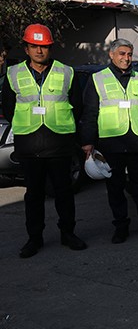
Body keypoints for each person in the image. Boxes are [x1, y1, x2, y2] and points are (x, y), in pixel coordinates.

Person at [1, 23, 87, 258]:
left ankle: (68, 233)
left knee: (64, 193)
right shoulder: (13, 73)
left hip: (59, 143)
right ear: (26, 48)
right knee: (34, 196)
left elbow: (77, 106)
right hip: (29, 145)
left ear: (50, 48)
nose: (39, 51)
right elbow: (9, 107)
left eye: (44, 46)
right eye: (34, 46)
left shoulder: (66, 72)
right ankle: (34, 238)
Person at [80, 39, 138, 244]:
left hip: (137, 143)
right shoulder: (98, 79)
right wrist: (88, 141)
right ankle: (121, 227)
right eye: (122, 54)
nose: (126, 58)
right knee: (115, 189)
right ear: (111, 55)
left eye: (129, 54)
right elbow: (90, 113)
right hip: (111, 144)